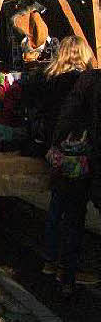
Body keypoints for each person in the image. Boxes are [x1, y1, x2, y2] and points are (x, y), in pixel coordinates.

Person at [40, 36, 98, 294]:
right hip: (82, 154)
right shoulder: (85, 82)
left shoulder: (50, 79)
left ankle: (54, 263)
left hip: (61, 153)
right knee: (73, 214)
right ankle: (67, 270)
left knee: (59, 207)